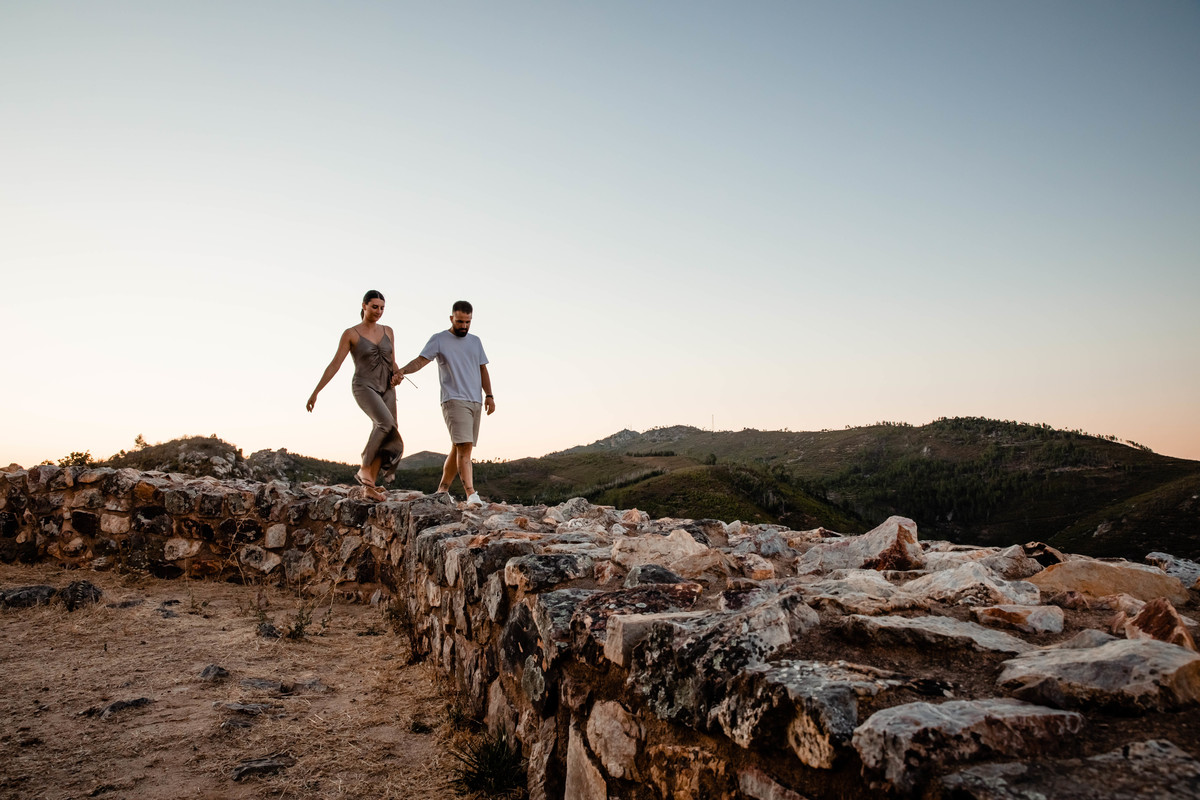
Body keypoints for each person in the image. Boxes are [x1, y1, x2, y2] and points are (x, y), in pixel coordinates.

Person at [306, 290, 404, 501]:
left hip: (387, 388)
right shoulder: (351, 333)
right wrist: (316, 392)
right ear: (364, 306)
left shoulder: (388, 331)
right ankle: (365, 469)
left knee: (389, 433)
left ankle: (371, 485)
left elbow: (392, 361)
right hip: (364, 386)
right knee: (384, 423)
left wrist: (397, 375)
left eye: (382, 308)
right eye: (374, 307)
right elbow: (334, 364)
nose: (378, 311)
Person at [396, 300, 494, 506]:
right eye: (460, 321)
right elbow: (421, 360)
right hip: (453, 399)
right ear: (451, 318)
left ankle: (442, 490)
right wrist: (402, 370)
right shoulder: (439, 339)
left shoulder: (475, 341)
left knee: (457, 447)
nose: (464, 326)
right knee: (465, 448)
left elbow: (483, 369)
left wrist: (489, 395)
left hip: (475, 401)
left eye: (468, 322)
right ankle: (471, 494)